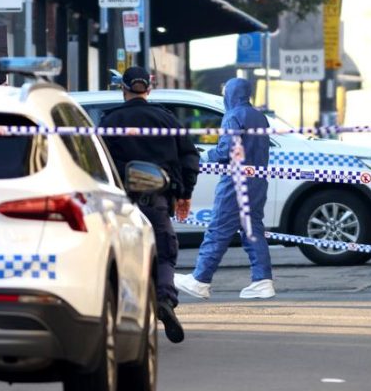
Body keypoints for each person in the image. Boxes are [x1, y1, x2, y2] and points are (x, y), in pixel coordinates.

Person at [100, 66, 200, 344]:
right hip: (157, 200)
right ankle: (164, 298)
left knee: (119, 257)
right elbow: (189, 157)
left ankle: (126, 314)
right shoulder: (166, 120)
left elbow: (98, 163)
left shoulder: (108, 122)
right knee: (165, 252)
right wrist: (184, 193)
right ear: (149, 89)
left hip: (119, 204)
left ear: (123, 89)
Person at [173, 78, 274, 301]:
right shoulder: (260, 117)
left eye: (224, 91)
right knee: (253, 230)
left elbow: (227, 150)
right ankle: (262, 280)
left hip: (235, 182)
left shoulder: (233, 116)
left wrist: (206, 155)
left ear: (230, 93)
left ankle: (200, 280)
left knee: (218, 229)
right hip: (258, 181)